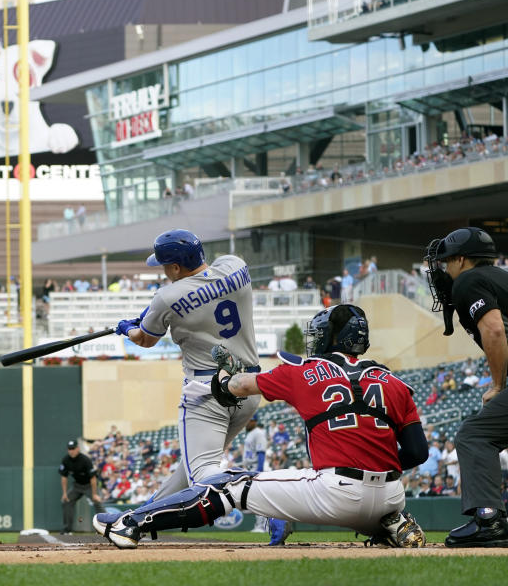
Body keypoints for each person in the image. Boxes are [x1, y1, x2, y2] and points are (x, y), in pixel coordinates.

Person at [95, 304, 429, 549]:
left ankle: (132, 523)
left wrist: (225, 375)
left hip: (335, 493)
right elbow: (417, 452)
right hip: (390, 495)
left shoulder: (304, 371)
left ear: (329, 338)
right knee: (333, 488)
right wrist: (373, 473)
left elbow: (238, 387)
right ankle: (385, 524)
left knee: (228, 484)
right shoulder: (394, 382)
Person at [115, 229, 261, 500]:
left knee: (203, 476)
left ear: (175, 266)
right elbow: (202, 286)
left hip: (208, 392)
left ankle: (267, 502)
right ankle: (138, 520)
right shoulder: (234, 265)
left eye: (165, 267)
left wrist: (127, 328)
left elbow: (145, 339)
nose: (163, 272)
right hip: (250, 386)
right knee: (192, 469)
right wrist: (156, 312)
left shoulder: (167, 297)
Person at [425, 227, 508, 547]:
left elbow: (495, 330)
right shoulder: (500, 277)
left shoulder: (469, 281)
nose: (444, 269)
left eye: (447, 262)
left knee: (475, 435)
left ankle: (489, 521)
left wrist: (498, 385)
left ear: (461, 259)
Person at [59, 439, 104, 534]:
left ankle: (106, 528)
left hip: (89, 485)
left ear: (78, 448)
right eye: (69, 449)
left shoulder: (85, 460)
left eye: (73, 448)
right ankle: (67, 530)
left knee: (97, 502)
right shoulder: (66, 460)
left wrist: (94, 494)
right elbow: (64, 477)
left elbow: (93, 478)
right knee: (66, 501)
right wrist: (64, 493)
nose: (71, 451)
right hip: (77, 486)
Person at [242, 415, 269, 533]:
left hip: (256, 468)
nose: (246, 423)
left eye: (248, 420)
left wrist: (258, 471)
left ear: (254, 421)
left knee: (259, 499)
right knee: (254, 499)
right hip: (250, 468)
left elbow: (261, 453)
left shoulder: (258, 433)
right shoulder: (250, 433)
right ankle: (260, 525)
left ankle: (262, 526)